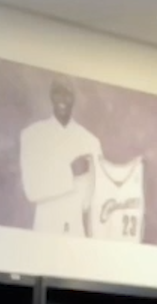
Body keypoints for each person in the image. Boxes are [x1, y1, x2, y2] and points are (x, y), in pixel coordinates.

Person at [18, 78, 101, 237]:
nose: (62, 99)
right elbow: (32, 189)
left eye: (68, 94)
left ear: (74, 98)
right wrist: (70, 172)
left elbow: (93, 200)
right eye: (58, 93)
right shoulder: (32, 135)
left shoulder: (91, 141)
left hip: (77, 235)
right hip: (44, 232)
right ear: (51, 96)